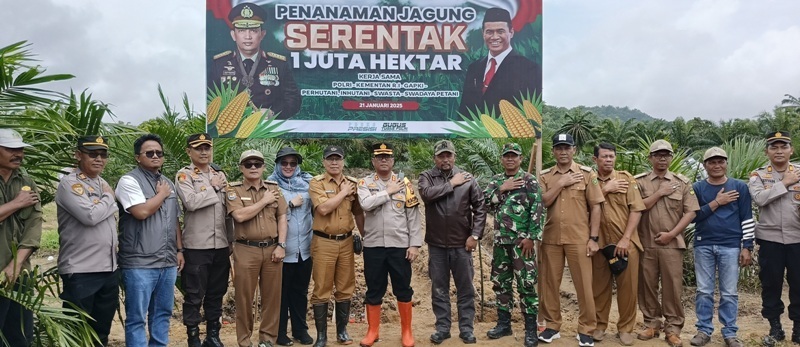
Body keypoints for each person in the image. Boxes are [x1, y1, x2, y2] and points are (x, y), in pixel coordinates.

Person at [115, 133, 185, 346]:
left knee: (162, 314)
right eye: (149, 153)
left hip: (167, 262)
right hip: (140, 263)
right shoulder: (128, 181)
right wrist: (162, 195)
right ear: (138, 157)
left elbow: (174, 220)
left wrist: (179, 250)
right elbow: (141, 212)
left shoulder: (166, 182)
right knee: (137, 318)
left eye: (159, 153)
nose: (155, 156)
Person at [418, 139, 487, 345]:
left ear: (454, 157)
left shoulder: (467, 179)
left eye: (449, 155)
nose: (445, 159)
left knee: (465, 289)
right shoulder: (427, 177)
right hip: (437, 245)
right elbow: (427, 195)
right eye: (441, 156)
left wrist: (475, 235)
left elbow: (480, 207)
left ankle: (466, 329)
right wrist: (451, 184)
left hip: (462, 245)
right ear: (435, 158)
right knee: (439, 289)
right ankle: (443, 328)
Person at [538, 133, 604, 347]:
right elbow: (543, 202)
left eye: (567, 147)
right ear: (553, 151)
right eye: (559, 148)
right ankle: (552, 325)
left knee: (584, 284)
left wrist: (594, 238)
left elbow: (596, 206)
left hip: (579, 238)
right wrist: (561, 182)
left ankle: (586, 329)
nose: (563, 151)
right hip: (551, 238)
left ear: (574, 150)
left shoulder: (586, 174)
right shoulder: (545, 176)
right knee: (549, 284)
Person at [634, 139, 699, 347]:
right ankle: (651, 323)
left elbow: (691, 212)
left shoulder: (682, 182)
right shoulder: (640, 182)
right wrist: (660, 192)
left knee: (673, 287)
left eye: (666, 154)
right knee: (647, 286)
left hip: (672, 244)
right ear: (650, 158)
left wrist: (671, 234)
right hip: (646, 243)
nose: (662, 158)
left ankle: (673, 329)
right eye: (658, 154)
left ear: (671, 157)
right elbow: (637, 207)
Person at [357, 143, 422, 347]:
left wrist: (414, 245)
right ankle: (372, 331)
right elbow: (365, 204)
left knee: (403, 288)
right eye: (380, 157)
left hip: (400, 246)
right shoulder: (364, 182)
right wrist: (388, 191)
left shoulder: (405, 184)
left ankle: (406, 331)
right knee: (374, 289)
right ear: (373, 161)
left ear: (393, 161)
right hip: (374, 245)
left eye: (387, 157)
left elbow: (413, 217)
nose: (384, 160)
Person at [56, 135, 118, 347]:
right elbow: (90, 216)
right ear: (78, 155)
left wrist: (105, 200)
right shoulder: (70, 184)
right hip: (82, 270)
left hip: (108, 268)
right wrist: (109, 198)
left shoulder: (102, 182)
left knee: (101, 331)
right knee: (77, 332)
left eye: (103, 154)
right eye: (93, 154)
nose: (99, 158)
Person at [689, 147, 753, 347]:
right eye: (711, 162)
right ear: (705, 165)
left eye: (720, 161)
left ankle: (730, 333)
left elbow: (747, 217)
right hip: (703, 244)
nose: (716, 165)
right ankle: (703, 330)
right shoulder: (697, 188)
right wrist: (717, 202)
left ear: (726, 163)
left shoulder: (739, 187)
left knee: (729, 292)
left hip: (730, 245)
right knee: (704, 290)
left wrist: (747, 246)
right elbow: (694, 216)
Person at [226, 149, 288, 347]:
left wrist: (281, 245)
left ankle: (267, 339)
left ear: (263, 167)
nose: (253, 168)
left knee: (272, 297)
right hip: (245, 249)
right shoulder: (233, 190)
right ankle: (244, 341)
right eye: (248, 164)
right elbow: (239, 216)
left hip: (272, 248)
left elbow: (282, 217)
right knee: (244, 298)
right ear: (241, 168)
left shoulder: (273, 188)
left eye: (257, 164)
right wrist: (264, 201)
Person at [483, 143, 543, 347]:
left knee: (526, 284)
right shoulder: (495, 181)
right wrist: (502, 189)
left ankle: (531, 330)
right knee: (501, 283)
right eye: (507, 155)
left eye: (514, 156)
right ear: (502, 159)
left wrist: (531, 237)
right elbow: (485, 204)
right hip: (500, 243)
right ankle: (504, 324)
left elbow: (537, 210)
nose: (510, 159)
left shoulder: (530, 181)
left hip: (521, 243)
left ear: (520, 158)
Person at [174, 133, 231, 347]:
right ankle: (193, 336)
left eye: (207, 147)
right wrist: (213, 186)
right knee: (194, 295)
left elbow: (227, 211)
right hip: (197, 246)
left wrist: (231, 241)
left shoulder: (220, 174)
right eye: (198, 148)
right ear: (189, 151)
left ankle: (213, 336)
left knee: (217, 293)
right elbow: (190, 202)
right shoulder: (184, 175)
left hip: (221, 246)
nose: (204, 152)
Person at [307, 145, 365, 347]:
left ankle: (342, 331)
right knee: (321, 288)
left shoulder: (352, 184)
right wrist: (343, 193)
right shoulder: (316, 183)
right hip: (324, 241)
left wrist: (364, 236)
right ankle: (321, 336)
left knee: (345, 287)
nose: (334, 162)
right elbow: (322, 209)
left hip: (346, 242)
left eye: (337, 159)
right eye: (330, 159)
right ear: (324, 162)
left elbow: (358, 212)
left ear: (343, 161)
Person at [590, 143, 645, 346]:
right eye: (604, 156)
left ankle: (625, 328)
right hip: (599, 244)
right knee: (599, 287)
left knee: (628, 289)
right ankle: (599, 325)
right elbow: (585, 206)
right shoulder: (590, 180)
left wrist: (626, 238)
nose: (609, 160)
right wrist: (605, 189)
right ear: (595, 159)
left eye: (611, 156)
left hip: (626, 243)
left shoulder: (626, 178)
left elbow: (636, 209)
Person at [748, 131, 800, 345]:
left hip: (798, 239)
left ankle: (798, 329)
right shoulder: (758, 175)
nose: (779, 151)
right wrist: (785, 183)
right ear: (767, 151)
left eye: (783, 146)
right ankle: (775, 328)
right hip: (770, 241)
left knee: (799, 285)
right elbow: (760, 199)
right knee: (771, 284)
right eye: (774, 147)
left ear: (791, 150)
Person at [209, 2, 301, 120]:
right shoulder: (219, 64)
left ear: (262, 34)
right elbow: (209, 99)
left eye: (253, 30)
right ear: (233, 35)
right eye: (242, 31)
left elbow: (294, 100)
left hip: (267, 131)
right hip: (229, 132)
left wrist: (272, 113)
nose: (248, 36)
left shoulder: (279, 64)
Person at [267, 147, 314, 346]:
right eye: (284, 163)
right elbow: (269, 215)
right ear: (277, 164)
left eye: (292, 163)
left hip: (304, 249)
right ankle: (279, 332)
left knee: (300, 292)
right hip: (281, 250)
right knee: (281, 293)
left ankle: (300, 330)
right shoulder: (270, 186)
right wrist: (291, 204)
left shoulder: (307, 185)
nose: (288, 167)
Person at [458, 7, 541, 117]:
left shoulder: (528, 68)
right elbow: (464, 109)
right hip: (475, 133)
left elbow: (531, 110)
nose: (495, 37)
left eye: (500, 31)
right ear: (483, 33)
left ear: (511, 32)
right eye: (489, 32)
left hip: (510, 132)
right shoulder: (474, 68)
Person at [0, 129, 41, 347]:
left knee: (20, 338)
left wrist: (16, 265)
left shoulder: (26, 182)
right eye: (10, 149)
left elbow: (34, 225)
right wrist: (16, 204)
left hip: (19, 274)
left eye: (20, 149)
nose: (18, 154)